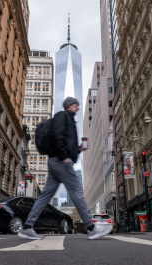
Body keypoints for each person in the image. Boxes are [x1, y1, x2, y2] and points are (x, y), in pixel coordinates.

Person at [18, 97, 112, 240]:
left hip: (56, 162)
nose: (78, 108)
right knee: (77, 192)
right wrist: (64, 157)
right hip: (61, 162)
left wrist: (79, 148)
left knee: (44, 197)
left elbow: (66, 143)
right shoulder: (63, 116)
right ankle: (92, 228)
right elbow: (57, 136)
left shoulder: (68, 119)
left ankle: (27, 227)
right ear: (69, 106)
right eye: (76, 105)